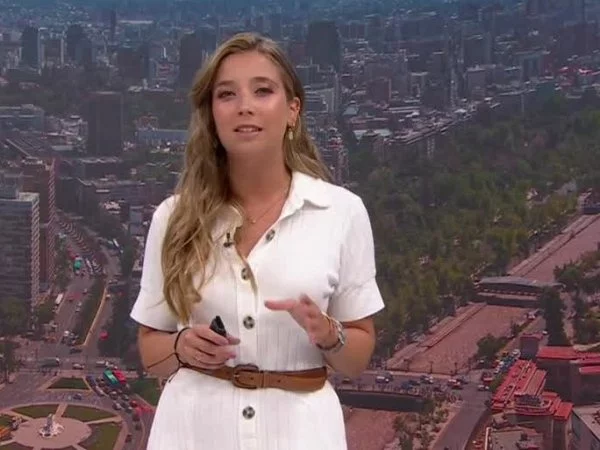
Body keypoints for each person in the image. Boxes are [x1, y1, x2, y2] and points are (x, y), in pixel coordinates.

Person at [130, 32, 385, 450]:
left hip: (303, 436)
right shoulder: (173, 218)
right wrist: (180, 346)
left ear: (292, 110)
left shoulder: (342, 212)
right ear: (212, 115)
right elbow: (150, 353)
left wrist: (328, 333)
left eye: (262, 91)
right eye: (227, 94)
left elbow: (356, 360)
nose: (244, 105)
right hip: (191, 434)